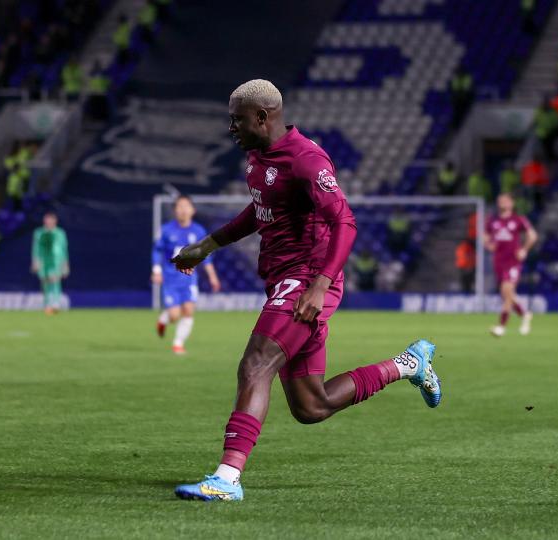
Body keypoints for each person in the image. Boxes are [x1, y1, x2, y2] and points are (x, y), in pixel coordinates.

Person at [169, 80, 441, 502]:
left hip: (307, 280)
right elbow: (260, 210)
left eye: (237, 120)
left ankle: (227, 477)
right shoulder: (259, 157)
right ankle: (408, 364)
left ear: (262, 117)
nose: (231, 128)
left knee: (256, 364)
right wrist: (207, 245)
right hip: (285, 280)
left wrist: (320, 284)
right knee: (312, 406)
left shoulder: (306, 159)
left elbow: (344, 221)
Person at [151, 196, 221, 354]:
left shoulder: (198, 231)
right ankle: (163, 319)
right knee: (175, 315)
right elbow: (157, 251)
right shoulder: (166, 230)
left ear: (193, 210)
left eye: (186, 206)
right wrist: (156, 271)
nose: (183, 210)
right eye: (180, 206)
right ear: (175, 210)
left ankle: (178, 344)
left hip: (189, 279)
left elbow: (206, 255)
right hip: (170, 279)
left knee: (189, 310)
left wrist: (212, 276)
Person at [484, 193, 537, 337]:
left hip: (513, 261)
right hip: (498, 261)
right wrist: (488, 244)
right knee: (506, 294)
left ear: (512, 203)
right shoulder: (492, 220)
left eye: (505, 200)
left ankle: (501, 327)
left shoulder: (518, 219)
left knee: (507, 290)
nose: (502, 203)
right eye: (500, 200)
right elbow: (485, 236)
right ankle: (525, 315)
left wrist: (524, 250)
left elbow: (532, 235)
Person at [31, 212, 69, 314]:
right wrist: (35, 261)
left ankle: (56, 303)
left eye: (51, 220)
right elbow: (35, 248)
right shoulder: (39, 232)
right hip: (43, 259)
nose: (49, 222)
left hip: (56, 259)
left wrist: (65, 263)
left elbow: (64, 248)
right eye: (47, 220)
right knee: (45, 281)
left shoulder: (60, 233)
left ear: (55, 221)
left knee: (55, 279)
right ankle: (47, 303)